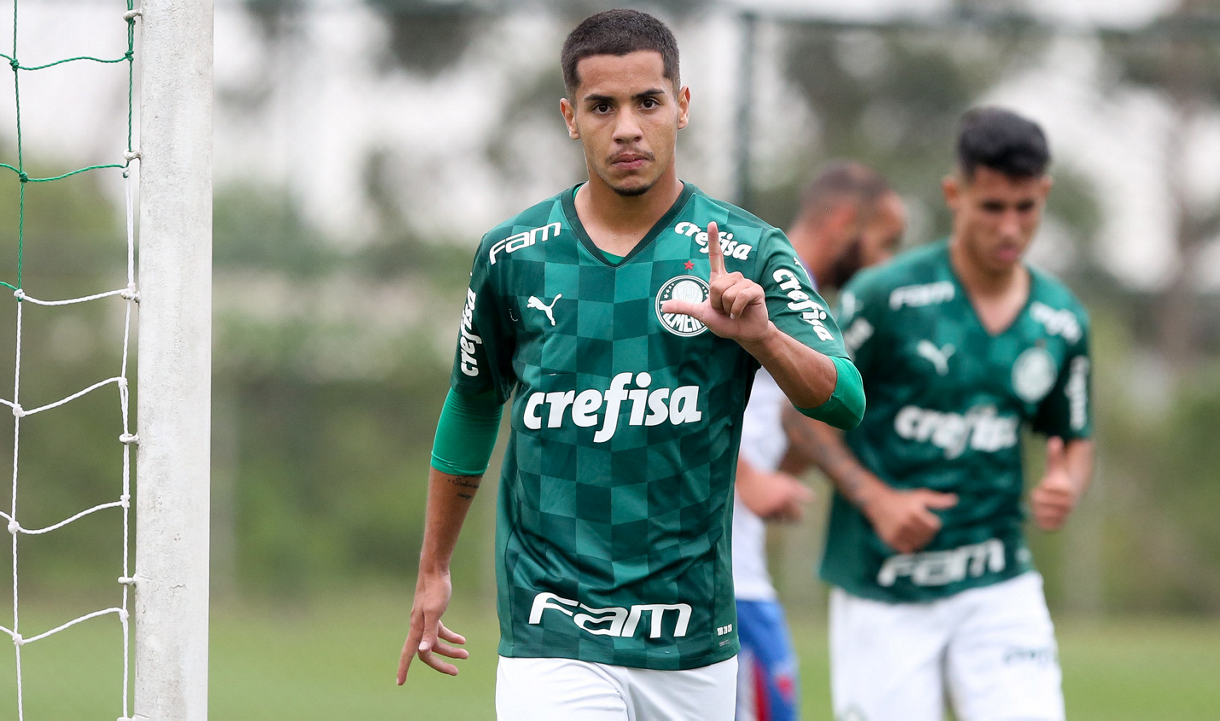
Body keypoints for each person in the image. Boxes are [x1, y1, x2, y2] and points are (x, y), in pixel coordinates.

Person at [395, 10, 865, 720]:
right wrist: (434, 567)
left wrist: (763, 339)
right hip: (552, 630)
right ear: (570, 117)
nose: (626, 128)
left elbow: (845, 398)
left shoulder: (750, 250)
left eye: (647, 102)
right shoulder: (514, 255)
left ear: (681, 105)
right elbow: (472, 400)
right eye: (601, 106)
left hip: (691, 640)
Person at [796, 107, 1094, 721]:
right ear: (955, 195)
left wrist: (1067, 482)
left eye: (1025, 208)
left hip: (997, 582)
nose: (1010, 227)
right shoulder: (886, 297)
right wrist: (878, 500)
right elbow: (803, 416)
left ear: (1044, 194)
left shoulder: (1061, 320)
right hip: (883, 584)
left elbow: (1073, 435)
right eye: (992, 207)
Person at [732, 162, 904, 721]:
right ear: (845, 223)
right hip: (719, 575)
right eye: (885, 243)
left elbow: (784, 419)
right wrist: (746, 479)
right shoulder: (760, 287)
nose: (888, 264)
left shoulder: (816, 312)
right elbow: (671, 391)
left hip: (738, 563)